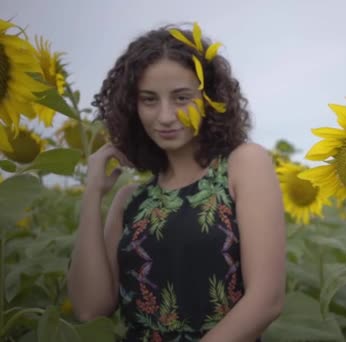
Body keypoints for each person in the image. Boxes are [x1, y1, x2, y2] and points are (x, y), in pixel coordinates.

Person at [67, 22, 286, 342]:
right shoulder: (130, 200)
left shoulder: (243, 166)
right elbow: (89, 309)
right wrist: (92, 195)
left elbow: (266, 300)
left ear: (209, 99)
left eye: (181, 97)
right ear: (132, 106)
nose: (165, 116)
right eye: (149, 100)